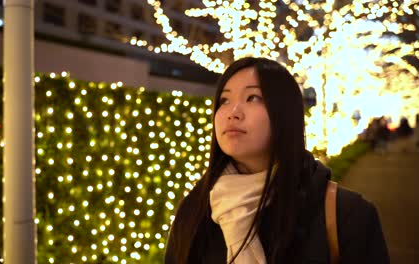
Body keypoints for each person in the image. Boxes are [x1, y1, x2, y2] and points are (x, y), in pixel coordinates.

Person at [164, 57, 389, 263]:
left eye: (253, 97)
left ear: (285, 113)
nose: (233, 112)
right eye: (224, 100)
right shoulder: (195, 209)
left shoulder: (347, 214)